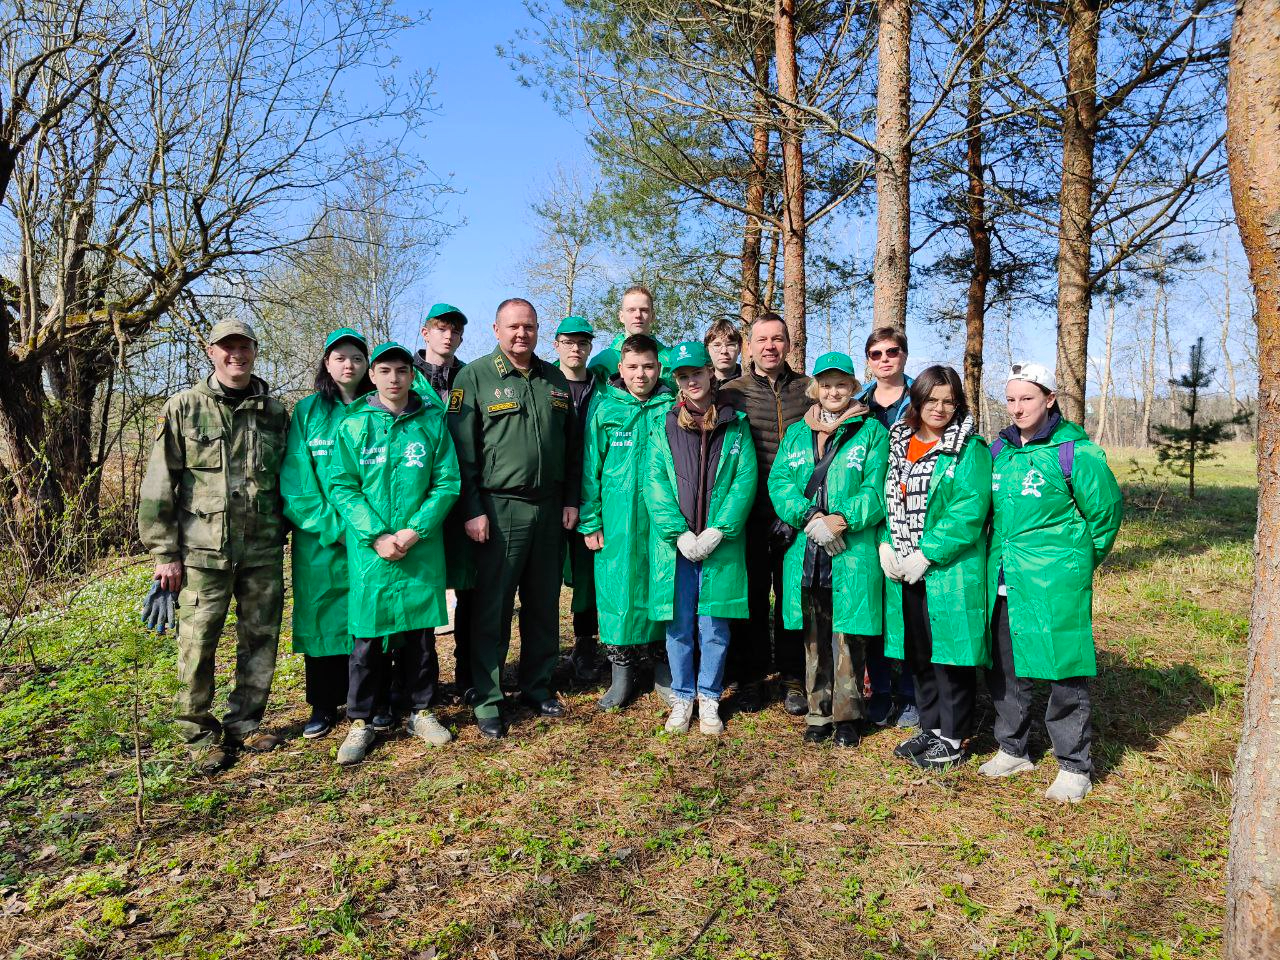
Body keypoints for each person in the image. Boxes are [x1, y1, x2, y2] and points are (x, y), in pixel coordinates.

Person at [138, 319, 289, 774]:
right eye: (227, 348)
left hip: (262, 548)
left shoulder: (276, 412)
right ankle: (199, 733)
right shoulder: (185, 407)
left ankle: (245, 721)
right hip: (202, 553)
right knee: (198, 644)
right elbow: (160, 482)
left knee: (260, 640)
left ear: (255, 351)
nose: (235, 355)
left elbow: (291, 480)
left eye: (243, 347)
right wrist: (164, 553)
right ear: (211, 351)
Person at [980, 361, 1123, 802]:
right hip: (1002, 575)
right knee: (1005, 667)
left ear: (1049, 399)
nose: (1018, 407)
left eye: (1027, 398)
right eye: (1011, 399)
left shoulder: (1074, 453)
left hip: (1052, 578)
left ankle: (1074, 764)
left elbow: (1105, 514)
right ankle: (1012, 747)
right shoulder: (997, 451)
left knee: (1064, 667)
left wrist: (1075, 564)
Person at [447, 298, 580, 740]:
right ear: (496, 329)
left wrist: (571, 499)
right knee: (494, 607)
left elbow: (573, 447)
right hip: (498, 509)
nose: (521, 334)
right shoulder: (475, 377)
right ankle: (488, 697)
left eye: (528, 327)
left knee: (543, 603)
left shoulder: (554, 378)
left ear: (538, 330)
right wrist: (472, 509)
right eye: (512, 327)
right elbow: (461, 452)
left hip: (548, 507)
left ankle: (537, 686)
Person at [327, 342, 461, 765]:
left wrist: (414, 531)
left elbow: (447, 482)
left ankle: (422, 711)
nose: (394, 378)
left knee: (421, 639)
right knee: (367, 641)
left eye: (401, 371)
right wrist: (377, 535)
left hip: (419, 549)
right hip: (372, 553)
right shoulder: (353, 426)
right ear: (372, 376)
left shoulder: (431, 424)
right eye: (385, 371)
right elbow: (342, 487)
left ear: (410, 375)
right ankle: (361, 720)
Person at [769, 352, 888, 746]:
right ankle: (818, 711)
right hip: (807, 549)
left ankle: (848, 716)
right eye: (826, 383)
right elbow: (780, 482)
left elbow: (878, 487)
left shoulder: (871, 432)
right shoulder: (797, 434)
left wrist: (841, 519)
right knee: (813, 633)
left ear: (853, 387)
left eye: (841, 384)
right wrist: (807, 517)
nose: (833, 391)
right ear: (815, 388)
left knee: (847, 634)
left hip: (848, 547)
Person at [879, 365, 991, 769]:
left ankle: (955, 736)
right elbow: (887, 495)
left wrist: (927, 553)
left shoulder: (968, 448)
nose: (940, 408)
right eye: (932, 400)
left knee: (951, 654)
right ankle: (931, 726)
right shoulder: (899, 440)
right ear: (918, 400)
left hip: (947, 568)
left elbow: (969, 508)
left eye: (949, 401)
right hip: (906, 569)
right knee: (920, 651)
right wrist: (886, 543)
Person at [646, 341, 757, 736]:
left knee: (714, 625)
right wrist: (677, 533)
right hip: (676, 547)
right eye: (681, 375)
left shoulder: (735, 422)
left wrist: (718, 530)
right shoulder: (664, 423)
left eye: (696, 372)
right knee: (678, 623)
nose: (690, 380)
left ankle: (708, 696)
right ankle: (681, 696)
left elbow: (744, 482)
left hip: (719, 545)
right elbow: (654, 481)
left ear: (710, 372)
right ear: (675, 380)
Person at [280, 327, 374, 740]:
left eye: (356, 357)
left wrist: (367, 528)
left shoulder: (379, 407)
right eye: (340, 358)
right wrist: (333, 526)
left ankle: (370, 700)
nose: (348, 365)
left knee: (370, 617)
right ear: (326, 363)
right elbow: (298, 481)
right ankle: (323, 703)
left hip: (370, 536)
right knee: (322, 617)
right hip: (321, 540)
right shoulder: (307, 412)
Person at [719, 312, 811, 713]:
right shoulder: (732, 392)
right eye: (762, 340)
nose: (770, 346)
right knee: (752, 597)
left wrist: (799, 513)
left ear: (788, 344)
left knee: (793, 597)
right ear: (749, 346)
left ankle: (794, 676)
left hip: (798, 513)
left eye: (777, 339)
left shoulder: (810, 388)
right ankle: (751, 676)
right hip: (750, 514)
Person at [579, 334, 675, 709]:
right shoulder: (605, 408)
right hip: (618, 519)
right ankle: (621, 674)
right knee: (617, 590)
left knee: (661, 586)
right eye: (633, 367)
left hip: (662, 517)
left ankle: (663, 668)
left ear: (659, 368)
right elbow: (590, 467)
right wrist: (591, 520)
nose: (641, 374)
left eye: (648, 366)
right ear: (620, 369)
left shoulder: (672, 405)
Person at [855, 326, 919, 729]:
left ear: (904, 355)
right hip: (866, 508)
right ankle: (879, 689)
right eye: (875, 354)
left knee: (910, 607)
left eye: (891, 352)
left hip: (911, 507)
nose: (884, 360)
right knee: (876, 605)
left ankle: (911, 692)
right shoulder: (858, 400)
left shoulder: (922, 398)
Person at [413, 302, 475, 707]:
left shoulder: (471, 378)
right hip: (420, 498)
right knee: (422, 592)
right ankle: (422, 684)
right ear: (425, 333)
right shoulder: (404, 374)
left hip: (465, 494)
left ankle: (469, 675)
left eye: (454, 329)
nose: (448, 335)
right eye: (440, 328)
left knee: (469, 588)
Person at [554, 316, 603, 683]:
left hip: (589, 492)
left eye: (583, 343)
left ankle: (586, 643)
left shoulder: (601, 387)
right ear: (556, 344)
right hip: (548, 494)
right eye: (569, 342)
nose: (576, 349)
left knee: (587, 574)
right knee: (543, 577)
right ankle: (541, 653)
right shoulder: (543, 383)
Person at [590, 285, 671, 382]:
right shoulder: (602, 362)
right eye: (631, 310)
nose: (638, 315)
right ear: (621, 316)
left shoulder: (671, 358)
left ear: (652, 316)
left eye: (644, 310)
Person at [704, 318, 743, 384]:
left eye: (730, 345)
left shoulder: (753, 384)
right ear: (707, 350)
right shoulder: (700, 386)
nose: (724, 351)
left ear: (739, 349)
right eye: (717, 345)